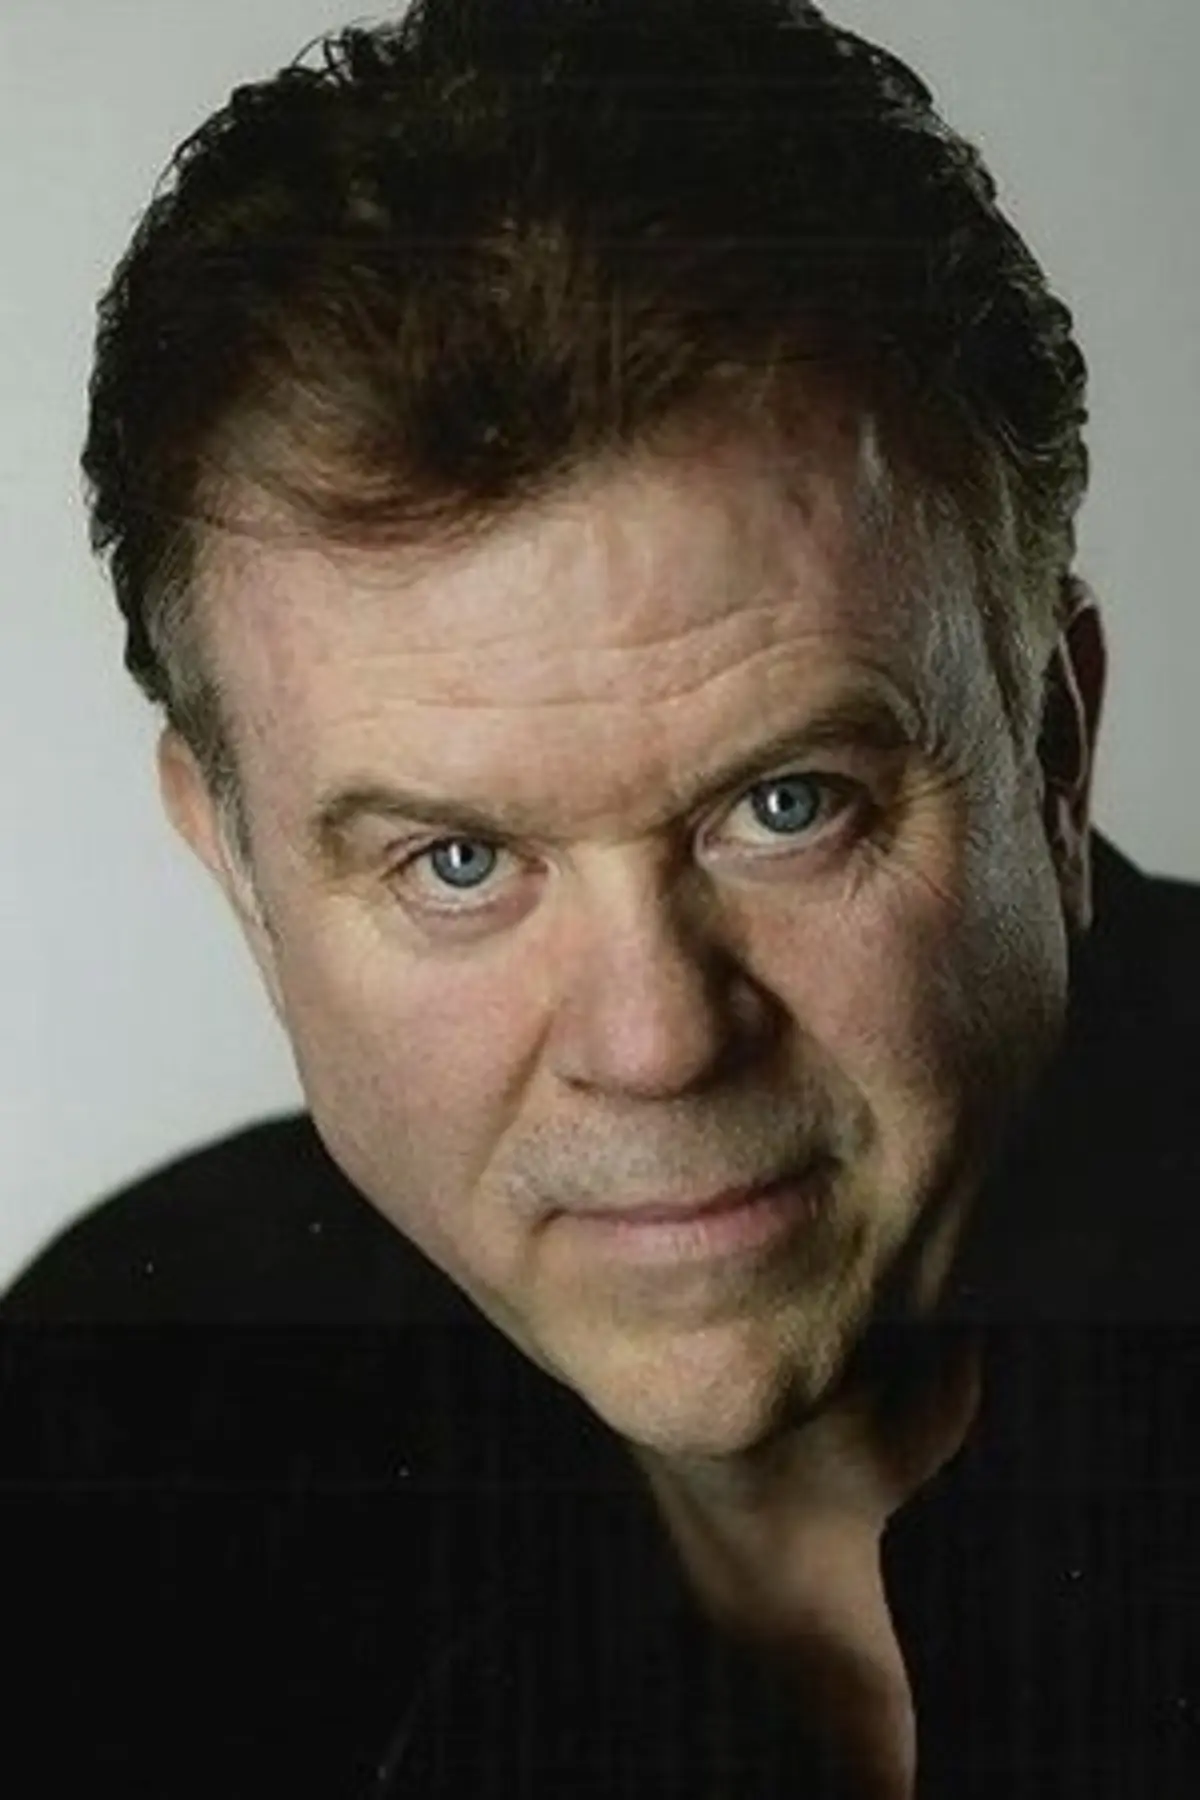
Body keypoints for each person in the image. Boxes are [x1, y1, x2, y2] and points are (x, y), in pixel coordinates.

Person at [2, 2, 1198, 1794]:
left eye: (786, 806)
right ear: (238, 871)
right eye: (458, 862)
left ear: (1052, 748)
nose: (654, 1044)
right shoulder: (105, 1443)